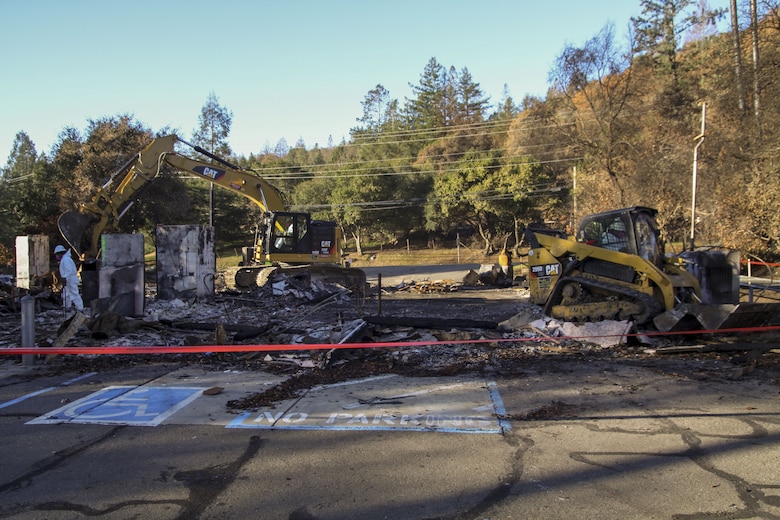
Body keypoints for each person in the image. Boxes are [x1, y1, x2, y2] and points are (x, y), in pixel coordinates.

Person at [53, 245, 84, 312]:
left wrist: (64, 278)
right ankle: (67, 307)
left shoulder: (66, 260)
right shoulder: (65, 259)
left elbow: (69, 270)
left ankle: (80, 308)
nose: (57, 256)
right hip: (69, 279)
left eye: (57, 254)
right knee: (66, 294)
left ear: (61, 253)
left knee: (74, 294)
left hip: (70, 279)